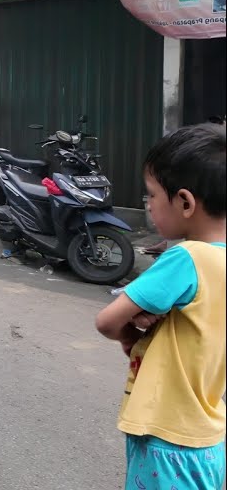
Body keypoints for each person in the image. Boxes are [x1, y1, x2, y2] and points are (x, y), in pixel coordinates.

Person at [94, 123, 225, 490]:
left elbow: (107, 320)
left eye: (151, 196)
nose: (148, 205)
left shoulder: (186, 258)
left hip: (165, 437)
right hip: (209, 439)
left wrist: (128, 335)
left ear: (185, 202)